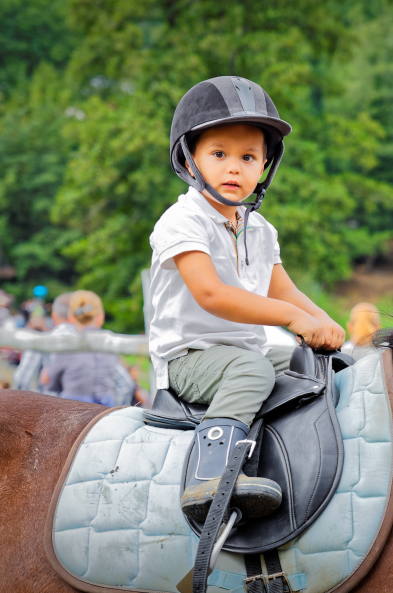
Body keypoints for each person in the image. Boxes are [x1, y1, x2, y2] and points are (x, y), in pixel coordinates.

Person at [149, 76, 345, 523]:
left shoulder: (259, 229)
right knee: (253, 369)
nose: (234, 168)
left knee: (315, 367)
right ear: (190, 158)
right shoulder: (182, 221)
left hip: (244, 354)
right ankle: (211, 474)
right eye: (219, 154)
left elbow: (284, 289)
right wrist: (294, 318)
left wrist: (325, 324)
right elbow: (212, 295)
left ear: (265, 166)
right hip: (191, 359)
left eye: (248, 157)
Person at [44, 290, 133, 406]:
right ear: (101, 317)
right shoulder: (108, 344)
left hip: (73, 411)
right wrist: (117, 412)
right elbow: (126, 385)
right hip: (104, 412)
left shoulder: (68, 346)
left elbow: (52, 384)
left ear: (71, 318)